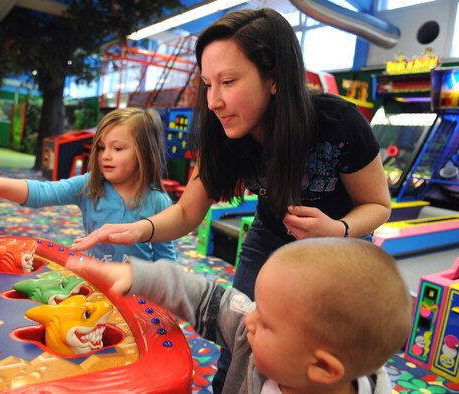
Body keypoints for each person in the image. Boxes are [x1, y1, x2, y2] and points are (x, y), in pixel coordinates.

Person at [70, 8, 391, 390]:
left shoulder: (338, 123)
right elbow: (188, 211)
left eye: (228, 81)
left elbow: (378, 205)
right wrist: (137, 229)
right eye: (207, 84)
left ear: (273, 78)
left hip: (341, 246)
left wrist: (337, 230)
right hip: (270, 237)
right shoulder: (224, 132)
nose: (214, 101)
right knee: (243, 338)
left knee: (326, 350)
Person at [67, 237, 412, 394]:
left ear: (323, 367)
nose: (250, 320)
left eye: (266, 321)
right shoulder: (251, 340)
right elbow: (206, 296)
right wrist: (140, 277)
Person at [0, 107, 176, 263]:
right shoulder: (90, 185)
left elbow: (166, 259)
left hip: (137, 293)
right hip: (97, 284)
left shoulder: (159, 202)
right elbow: (41, 193)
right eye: (102, 147)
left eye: (118, 149)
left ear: (144, 154)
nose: (106, 156)